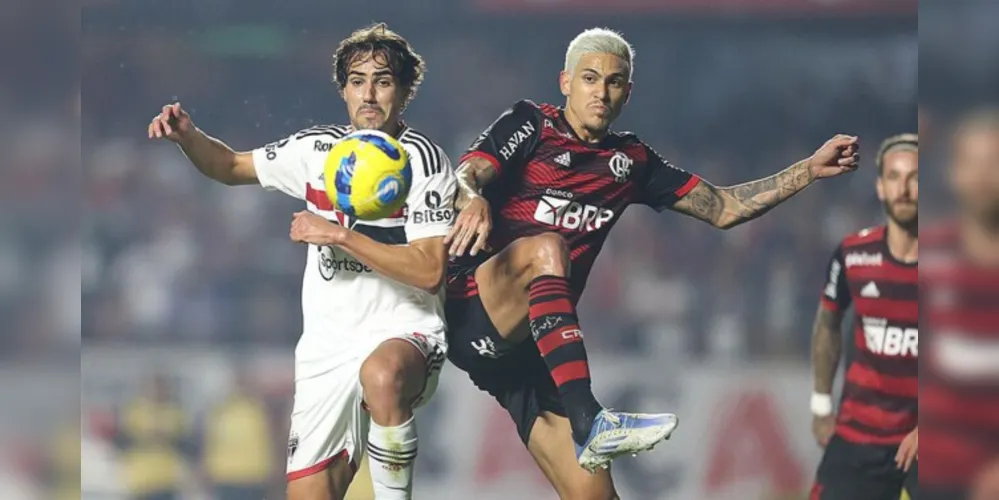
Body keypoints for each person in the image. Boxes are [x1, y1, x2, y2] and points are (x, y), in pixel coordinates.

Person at [442, 27, 860, 498]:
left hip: (530, 351)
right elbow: (466, 173)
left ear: (627, 92)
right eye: (590, 78)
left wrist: (808, 169)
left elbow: (723, 208)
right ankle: (590, 419)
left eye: (614, 82)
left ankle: (587, 422)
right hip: (474, 306)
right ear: (565, 82)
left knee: (596, 495)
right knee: (547, 249)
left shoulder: (631, 160)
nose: (601, 92)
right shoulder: (531, 124)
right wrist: (473, 196)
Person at [147, 23, 456, 500]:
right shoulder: (316, 150)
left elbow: (430, 270)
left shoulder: (423, 161)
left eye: (383, 80)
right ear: (343, 90)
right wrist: (189, 137)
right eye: (357, 81)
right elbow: (230, 167)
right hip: (326, 353)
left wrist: (337, 235)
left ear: (405, 90)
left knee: (383, 374)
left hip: (405, 329)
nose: (369, 94)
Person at [807, 134, 919, 500]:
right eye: (894, 177)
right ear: (880, 188)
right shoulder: (854, 255)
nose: (904, 188)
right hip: (856, 441)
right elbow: (827, 322)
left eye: (915, 177)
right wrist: (822, 403)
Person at [919, 107, 999, 500]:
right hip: (936, 480)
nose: (985, 176)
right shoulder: (928, 260)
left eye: (995, 162)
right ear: (955, 173)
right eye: (974, 162)